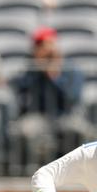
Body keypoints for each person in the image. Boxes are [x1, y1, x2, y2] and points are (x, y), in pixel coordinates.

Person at [10, 26, 85, 172]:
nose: (45, 50)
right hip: (37, 116)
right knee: (24, 130)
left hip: (64, 115)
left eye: (48, 45)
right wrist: (39, 69)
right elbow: (19, 91)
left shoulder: (71, 69)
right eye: (40, 46)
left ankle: (73, 172)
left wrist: (54, 76)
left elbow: (73, 97)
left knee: (77, 128)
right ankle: (31, 173)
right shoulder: (30, 69)